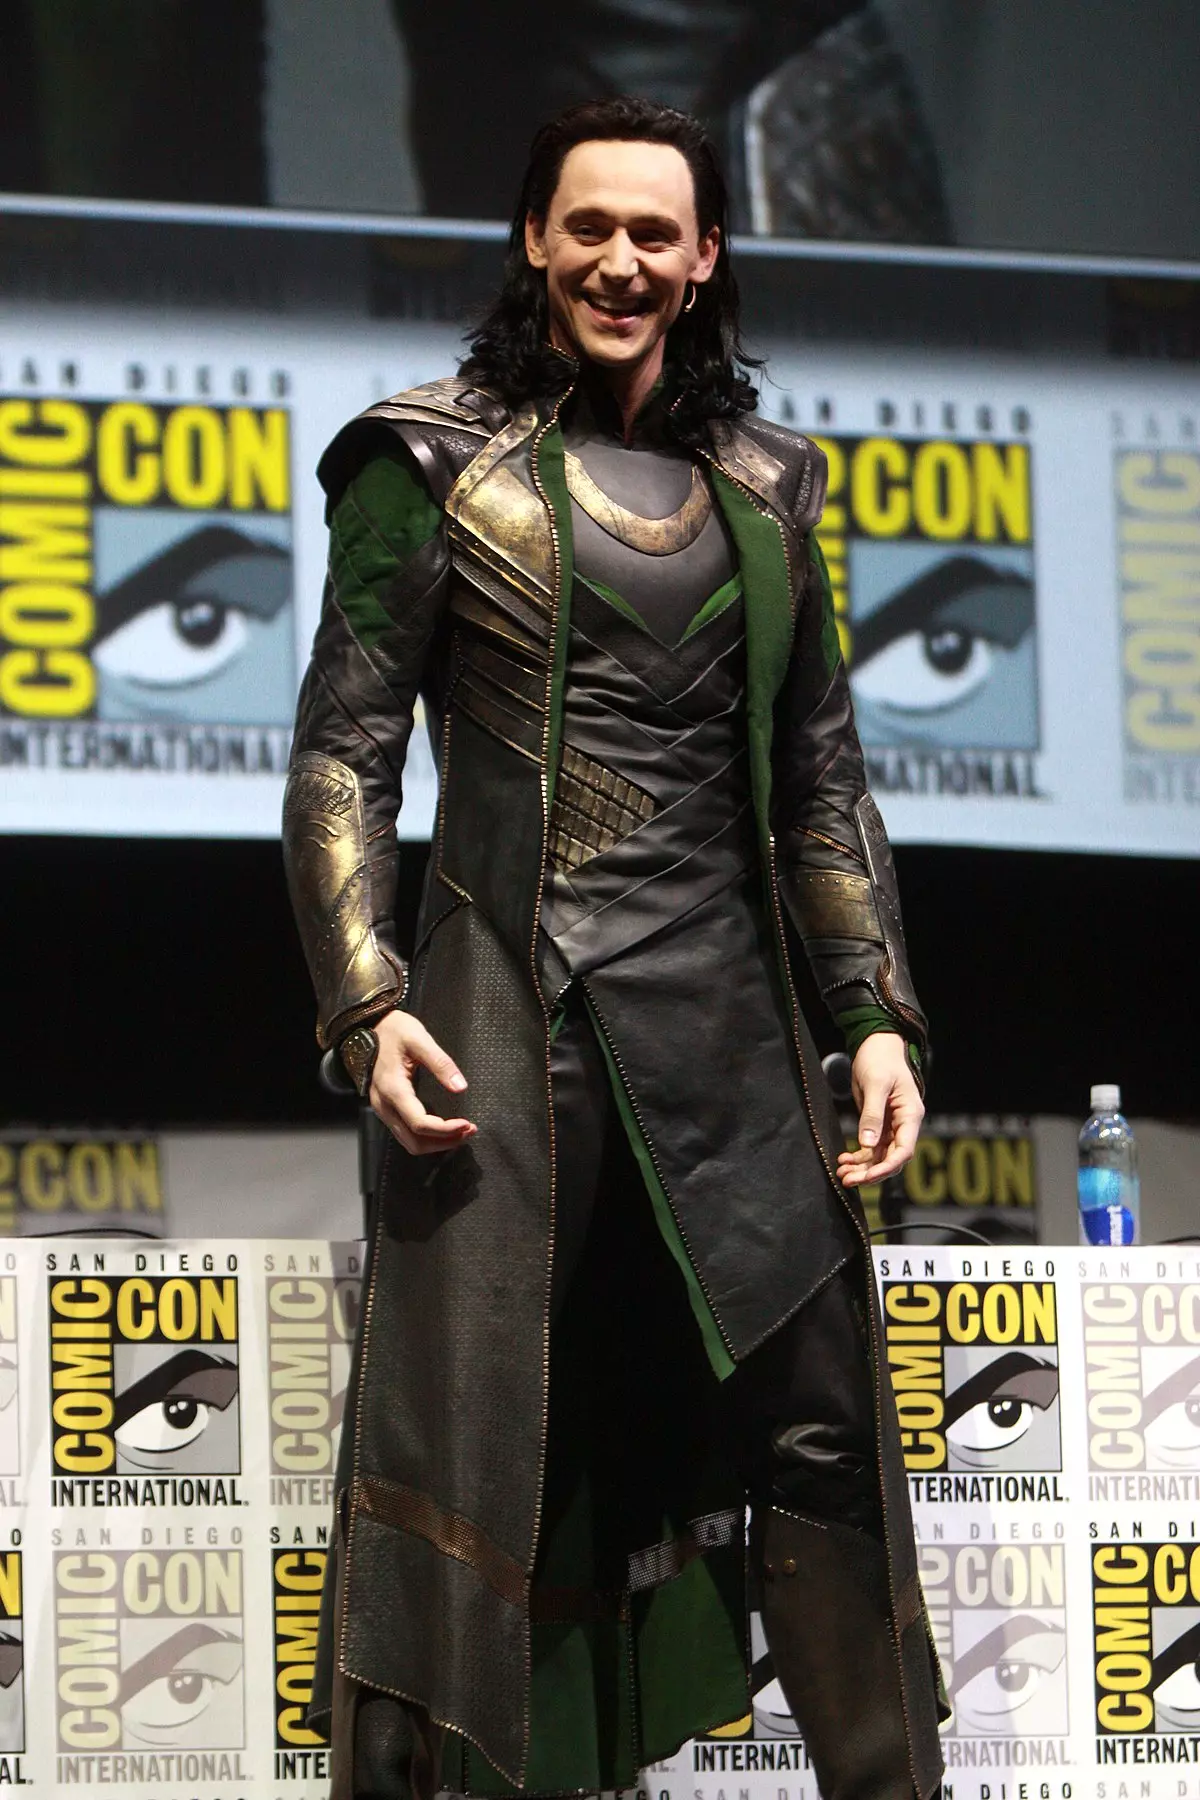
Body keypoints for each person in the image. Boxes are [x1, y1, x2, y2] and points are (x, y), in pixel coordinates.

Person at [283, 96, 946, 1800]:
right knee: (474, 1461)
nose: (623, 261)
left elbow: (821, 786)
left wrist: (874, 1014)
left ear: (706, 256)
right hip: (513, 1026)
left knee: (827, 1442)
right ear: (534, 238)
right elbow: (344, 755)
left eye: (658, 232)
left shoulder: (774, 485)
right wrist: (366, 997)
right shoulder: (427, 461)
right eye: (590, 227)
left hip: (737, 1042)